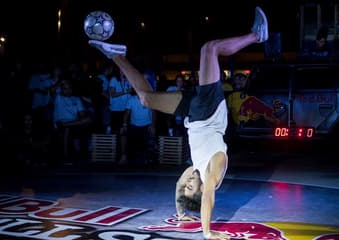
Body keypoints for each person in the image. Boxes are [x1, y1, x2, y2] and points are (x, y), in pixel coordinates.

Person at [88, 6, 268, 239]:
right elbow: (208, 198)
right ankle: (257, 34)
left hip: (192, 115)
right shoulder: (216, 167)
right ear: (202, 188)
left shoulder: (192, 175)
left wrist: (181, 212)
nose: (188, 178)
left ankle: (116, 55)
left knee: (145, 99)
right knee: (209, 49)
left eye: (187, 183)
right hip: (209, 111)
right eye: (192, 184)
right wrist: (207, 232)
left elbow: (178, 189)